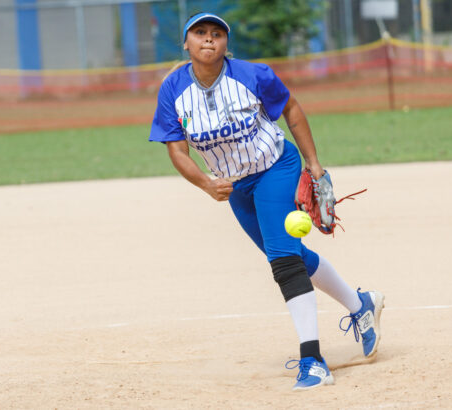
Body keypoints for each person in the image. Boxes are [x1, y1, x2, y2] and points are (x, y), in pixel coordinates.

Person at [149, 12, 384, 391]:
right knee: (290, 255)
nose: (209, 39)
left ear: (226, 43)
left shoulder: (252, 75)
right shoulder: (173, 89)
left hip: (275, 166)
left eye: (217, 34)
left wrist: (315, 165)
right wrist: (206, 184)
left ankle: (313, 360)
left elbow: (290, 109)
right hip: (236, 188)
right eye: (200, 33)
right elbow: (176, 149)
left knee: (283, 261)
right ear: (187, 43)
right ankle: (362, 305)